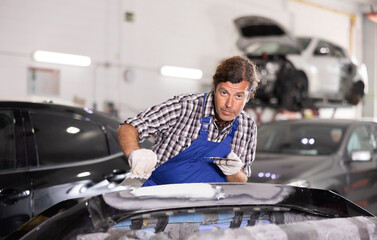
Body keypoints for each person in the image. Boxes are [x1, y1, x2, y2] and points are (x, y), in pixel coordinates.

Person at [117, 56, 259, 186]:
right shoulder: (185, 106)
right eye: (224, 93)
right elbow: (128, 128)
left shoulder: (247, 127)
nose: (229, 103)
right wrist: (135, 153)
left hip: (200, 209)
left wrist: (233, 171)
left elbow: (242, 180)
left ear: (249, 96)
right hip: (153, 199)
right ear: (214, 88)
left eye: (238, 96)